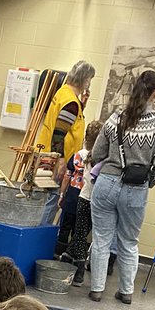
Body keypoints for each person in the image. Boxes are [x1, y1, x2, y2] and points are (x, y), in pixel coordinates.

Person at [88, 69, 155, 304]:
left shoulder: (116, 117)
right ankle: (126, 291)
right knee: (128, 241)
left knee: (101, 239)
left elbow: (97, 153)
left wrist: (109, 168)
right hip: (136, 188)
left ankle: (96, 289)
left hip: (106, 183)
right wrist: (148, 182)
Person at [36, 61, 96, 226]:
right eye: (89, 79)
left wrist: (81, 106)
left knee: (46, 199)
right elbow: (59, 133)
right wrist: (61, 160)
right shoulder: (71, 103)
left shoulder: (63, 93)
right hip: (56, 158)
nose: (89, 83)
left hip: (46, 153)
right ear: (85, 80)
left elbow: (66, 124)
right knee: (51, 199)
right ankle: (41, 239)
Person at [64, 119, 102, 285]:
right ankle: (74, 267)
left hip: (84, 198)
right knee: (82, 234)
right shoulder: (100, 158)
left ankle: (71, 262)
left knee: (79, 234)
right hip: (95, 200)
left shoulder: (84, 155)